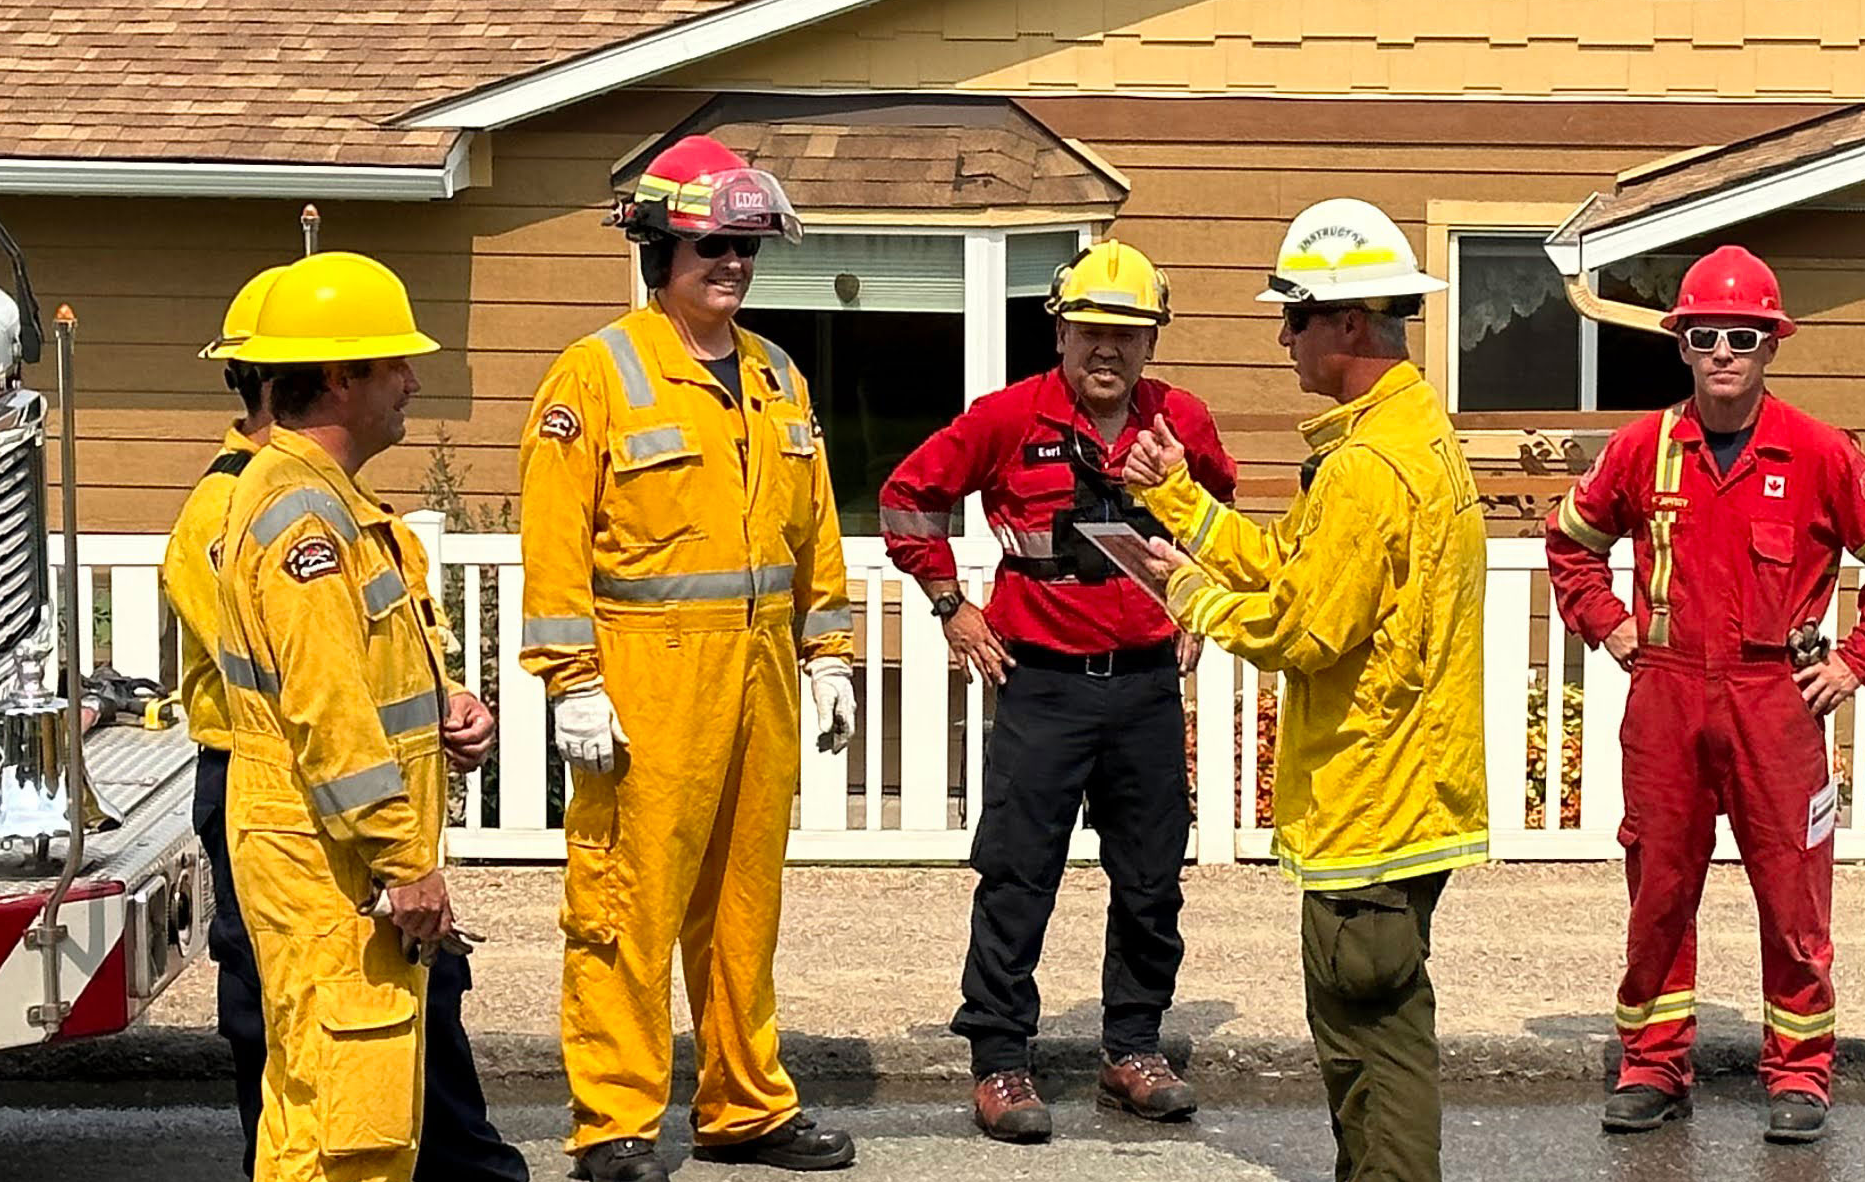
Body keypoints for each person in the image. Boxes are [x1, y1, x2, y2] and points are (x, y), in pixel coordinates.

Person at [1115, 198, 1487, 1182]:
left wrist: (1184, 590)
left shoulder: (1367, 466)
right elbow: (1295, 563)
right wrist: (1183, 504)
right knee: (1378, 1038)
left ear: (1349, 323)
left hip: (1372, 809)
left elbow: (1299, 627)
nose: (1281, 335)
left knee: (1376, 1051)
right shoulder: (1413, 437)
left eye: (1294, 314)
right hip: (1412, 799)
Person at [518, 135, 862, 1180]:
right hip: (643, 680)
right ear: (660, 249)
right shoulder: (600, 372)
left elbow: (816, 533)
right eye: (713, 245)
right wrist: (570, 681)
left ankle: (745, 1103)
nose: (733, 265)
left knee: (743, 904)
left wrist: (830, 652)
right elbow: (554, 538)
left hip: (757, 677)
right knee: (629, 903)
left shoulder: (777, 374)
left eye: (747, 248)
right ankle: (614, 1123)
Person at [1541, 245, 1865, 1143]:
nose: (1725, 352)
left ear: (1770, 347)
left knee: (1794, 896)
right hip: (1668, 697)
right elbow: (1571, 543)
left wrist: (1858, 662)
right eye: (1708, 336)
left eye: (1745, 337)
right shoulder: (1642, 448)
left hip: (1775, 704)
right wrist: (1607, 622)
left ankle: (1799, 1073)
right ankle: (1652, 1064)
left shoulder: (1820, 451)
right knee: (1660, 890)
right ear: (1682, 344)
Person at [875, 240, 1238, 1142]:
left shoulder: (1182, 421)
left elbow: (1222, 522)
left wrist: (1202, 602)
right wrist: (953, 606)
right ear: (1061, 332)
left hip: (1148, 687)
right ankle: (1000, 1061)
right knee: (1017, 877)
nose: (1107, 352)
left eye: (1127, 334)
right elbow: (905, 499)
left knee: (1153, 879)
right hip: (1042, 687)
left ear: (1153, 340)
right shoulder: (1005, 417)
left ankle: (1133, 1048)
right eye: (1090, 333)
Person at [211, 251, 522, 1182]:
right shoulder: (305, 518)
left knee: (343, 1108)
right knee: (343, 1125)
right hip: (329, 857)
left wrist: (443, 708)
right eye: (395, 364)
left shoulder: (327, 505)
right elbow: (330, 710)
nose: (413, 382)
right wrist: (403, 860)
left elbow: (362, 673)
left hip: (329, 849)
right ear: (340, 378)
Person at [158, 263, 287, 1170]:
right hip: (256, 777)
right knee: (270, 999)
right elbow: (286, 673)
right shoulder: (228, 508)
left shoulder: (318, 495)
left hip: (321, 777)